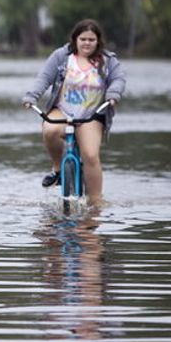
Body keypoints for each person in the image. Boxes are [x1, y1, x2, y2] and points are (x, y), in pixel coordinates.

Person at [21, 18, 126, 204]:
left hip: (91, 116)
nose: (87, 43)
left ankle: (95, 202)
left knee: (91, 155)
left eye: (91, 40)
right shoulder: (62, 57)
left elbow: (118, 79)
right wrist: (32, 96)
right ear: (75, 39)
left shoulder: (108, 61)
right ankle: (58, 171)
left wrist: (113, 94)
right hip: (62, 111)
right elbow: (44, 78)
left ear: (98, 41)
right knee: (50, 130)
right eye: (83, 39)